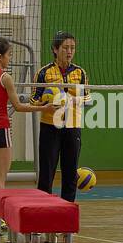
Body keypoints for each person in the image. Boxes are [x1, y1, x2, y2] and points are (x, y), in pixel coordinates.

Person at [0, 38, 56, 231]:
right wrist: (44, 107)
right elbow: (17, 106)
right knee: (0, 177)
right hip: (0, 129)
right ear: (0, 57)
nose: (10, 59)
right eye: (9, 55)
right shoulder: (4, 77)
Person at [33, 30, 88, 202]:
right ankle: (42, 211)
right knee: (46, 172)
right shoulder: (44, 72)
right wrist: (46, 105)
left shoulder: (80, 73)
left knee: (70, 172)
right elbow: (33, 99)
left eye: (72, 48)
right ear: (55, 49)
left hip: (72, 126)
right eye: (65, 47)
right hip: (50, 126)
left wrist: (72, 100)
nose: (70, 51)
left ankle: (67, 214)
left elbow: (87, 97)